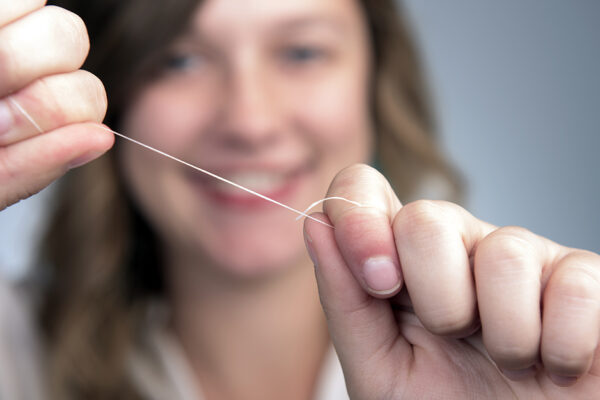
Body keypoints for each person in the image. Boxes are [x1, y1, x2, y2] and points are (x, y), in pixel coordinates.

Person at [0, 0, 598, 399]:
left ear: (376, 83)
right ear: (113, 95)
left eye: (301, 52)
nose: (249, 121)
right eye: (178, 59)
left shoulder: (499, 360)